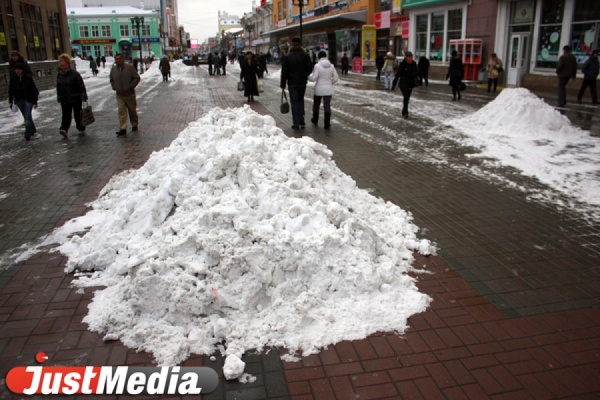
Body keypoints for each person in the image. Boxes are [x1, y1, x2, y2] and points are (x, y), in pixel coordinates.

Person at [280, 36, 313, 131]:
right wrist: (303, 74)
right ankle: (302, 120)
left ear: (291, 44)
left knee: (294, 102)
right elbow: (309, 69)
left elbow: (284, 72)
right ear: (300, 45)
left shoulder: (287, 56)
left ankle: (296, 123)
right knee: (300, 100)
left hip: (292, 83)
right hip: (302, 82)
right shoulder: (305, 55)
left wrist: (283, 84)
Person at [56, 53, 88, 139]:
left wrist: (83, 94)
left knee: (78, 114)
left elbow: (81, 85)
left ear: (68, 64)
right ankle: (64, 129)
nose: (63, 67)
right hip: (64, 98)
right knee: (66, 114)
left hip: (75, 97)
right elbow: (58, 87)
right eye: (61, 65)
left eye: (64, 65)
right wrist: (59, 96)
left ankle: (81, 127)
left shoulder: (74, 74)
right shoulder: (60, 75)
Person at [110, 52, 141, 136]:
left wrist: (131, 86)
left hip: (129, 94)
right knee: (121, 111)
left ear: (123, 59)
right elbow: (111, 79)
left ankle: (134, 124)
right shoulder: (113, 69)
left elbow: (137, 78)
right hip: (120, 94)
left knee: (132, 111)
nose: (118, 60)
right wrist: (114, 86)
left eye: (120, 58)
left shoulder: (129, 68)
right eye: (117, 59)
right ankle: (123, 128)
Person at [308, 51, 339, 130]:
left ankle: (315, 120)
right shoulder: (331, 66)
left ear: (319, 57)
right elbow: (336, 78)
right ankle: (327, 124)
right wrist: (330, 83)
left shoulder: (317, 66)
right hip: (328, 89)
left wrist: (308, 77)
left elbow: (314, 78)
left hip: (319, 88)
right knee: (327, 106)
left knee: (316, 105)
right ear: (326, 56)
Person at [8, 62, 39, 141]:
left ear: (22, 70)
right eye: (16, 69)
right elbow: (11, 91)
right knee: (26, 116)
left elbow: (34, 90)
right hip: (19, 100)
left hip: (28, 100)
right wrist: (10, 101)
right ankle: (33, 129)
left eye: (19, 69)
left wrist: (35, 101)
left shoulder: (28, 78)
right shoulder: (13, 79)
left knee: (27, 116)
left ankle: (28, 133)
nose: (18, 71)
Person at [396, 51, 419, 118]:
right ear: (406, 57)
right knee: (406, 96)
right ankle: (405, 112)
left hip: (410, 83)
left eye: (411, 56)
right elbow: (398, 74)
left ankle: (404, 109)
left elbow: (417, 72)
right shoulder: (402, 64)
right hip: (403, 83)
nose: (410, 58)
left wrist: (417, 74)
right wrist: (394, 83)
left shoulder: (414, 64)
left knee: (407, 98)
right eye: (409, 57)